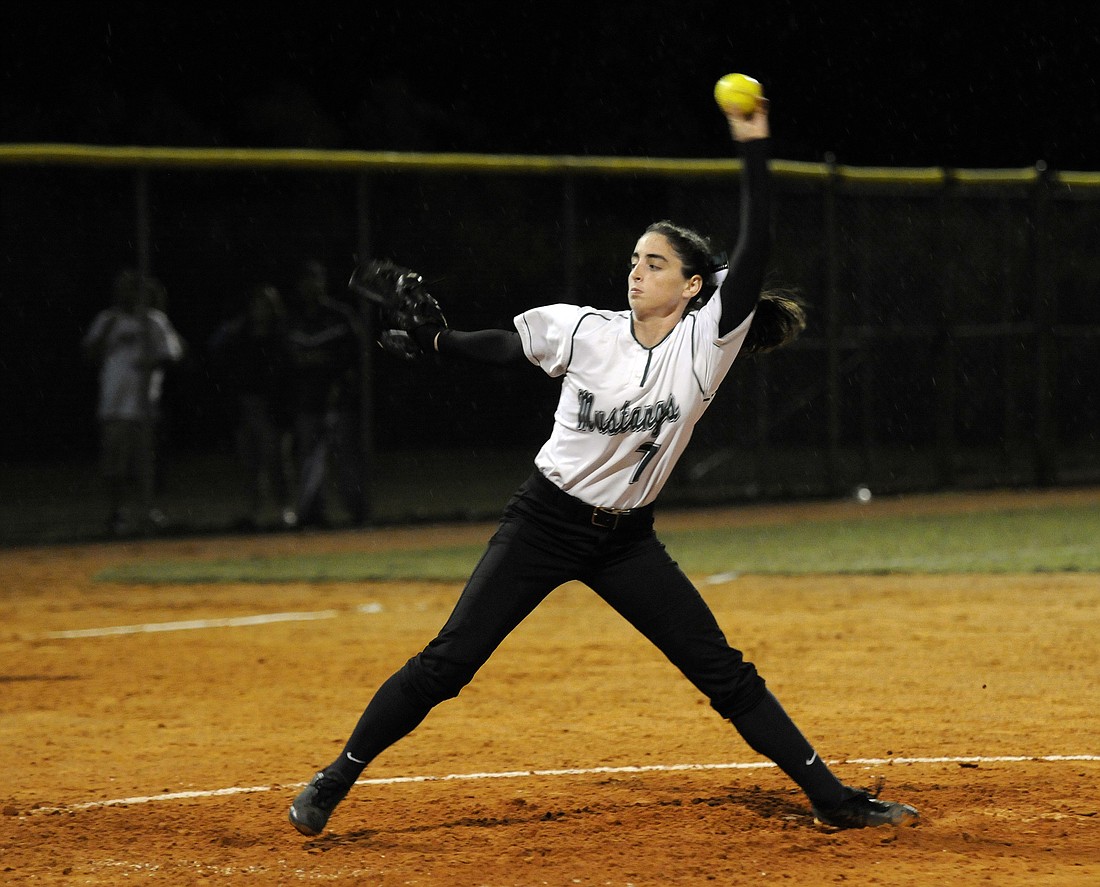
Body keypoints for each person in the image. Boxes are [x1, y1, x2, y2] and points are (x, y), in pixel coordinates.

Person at [289, 94, 919, 835]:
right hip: (544, 521)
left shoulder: (706, 343)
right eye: (633, 260)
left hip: (626, 540)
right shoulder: (585, 330)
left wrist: (753, 141)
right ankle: (333, 780)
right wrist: (438, 342)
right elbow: (505, 343)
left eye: (655, 264)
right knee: (448, 663)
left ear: (691, 287)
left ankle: (834, 801)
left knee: (725, 673)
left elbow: (755, 245)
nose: (636, 271)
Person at [81, 268, 185, 535]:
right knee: (114, 465)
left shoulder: (153, 321)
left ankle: (148, 511)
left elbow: (174, 353)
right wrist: (108, 329)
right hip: (114, 405)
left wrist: (151, 359)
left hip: (144, 405)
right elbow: (89, 354)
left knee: (146, 465)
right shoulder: (107, 319)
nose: (124, 293)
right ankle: (118, 514)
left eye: (130, 288)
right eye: (121, 288)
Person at [285, 259, 366, 528]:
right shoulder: (292, 318)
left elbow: (355, 358)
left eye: (317, 278)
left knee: (346, 458)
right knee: (310, 460)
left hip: (338, 400)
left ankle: (357, 513)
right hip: (305, 402)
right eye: (307, 279)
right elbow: (287, 360)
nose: (313, 284)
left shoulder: (339, 315)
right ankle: (313, 515)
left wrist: (336, 378)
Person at [208, 283, 296, 530]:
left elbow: (287, 373)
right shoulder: (239, 334)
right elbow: (214, 348)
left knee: (277, 460)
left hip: (272, 407)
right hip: (245, 406)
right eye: (257, 304)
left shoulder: (280, 336)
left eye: (266, 305)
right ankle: (254, 511)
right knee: (250, 464)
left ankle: (284, 509)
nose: (261, 310)